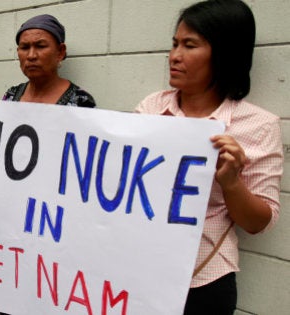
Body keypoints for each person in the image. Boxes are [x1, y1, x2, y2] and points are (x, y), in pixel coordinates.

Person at [134, 1, 282, 314]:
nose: (174, 56)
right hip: (139, 270)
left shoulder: (258, 125)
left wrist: (231, 182)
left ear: (225, 53)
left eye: (190, 45)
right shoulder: (151, 108)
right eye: (174, 44)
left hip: (205, 282)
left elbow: (259, 222)